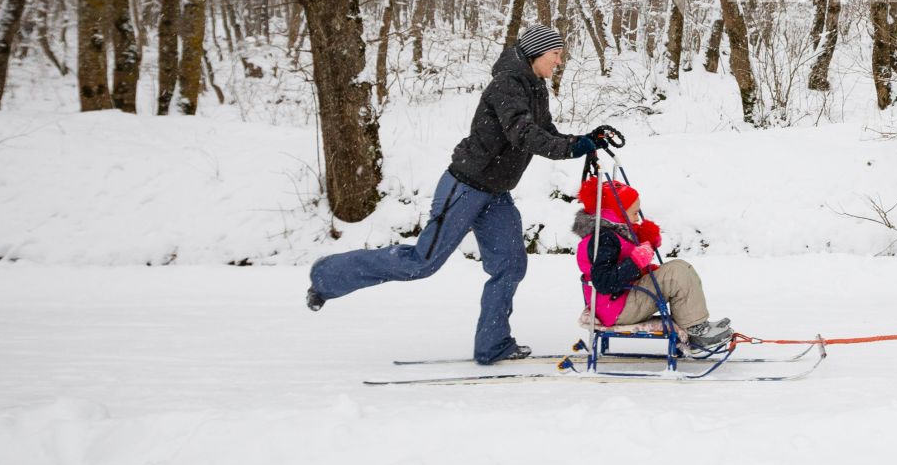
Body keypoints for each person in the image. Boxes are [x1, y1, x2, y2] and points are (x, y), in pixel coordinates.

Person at [306, 24, 619, 365]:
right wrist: (574, 147)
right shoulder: (506, 85)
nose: (560, 61)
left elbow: (545, 133)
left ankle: (492, 344)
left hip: (496, 194)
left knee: (510, 265)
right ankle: (326, 276)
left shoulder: (535, 87)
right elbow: (522, 134)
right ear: (536, 53)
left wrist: (583, 141)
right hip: (465, 187)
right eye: (556, 54)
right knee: (421, 263)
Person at [573, 179, 731, 351]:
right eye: (633, 213)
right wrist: (636, 261)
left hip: (620, 302)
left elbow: (621, 269)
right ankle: (695, 331)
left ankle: (696, 324)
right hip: (618, 308)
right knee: (677, 273)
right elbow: (604, 282)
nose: (637, 217)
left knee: (678, 270)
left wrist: (645, 263)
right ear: (616, 214)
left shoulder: (613, 235)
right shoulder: (604, 239)